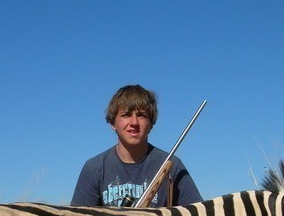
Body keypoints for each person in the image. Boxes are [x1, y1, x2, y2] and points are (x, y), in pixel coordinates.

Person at [71, 85, 202, 207]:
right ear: (112, 123)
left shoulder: (172, 165)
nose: (134, 122)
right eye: (126, 115)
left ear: (151, 123)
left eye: (141, 115)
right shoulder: (94, 168)